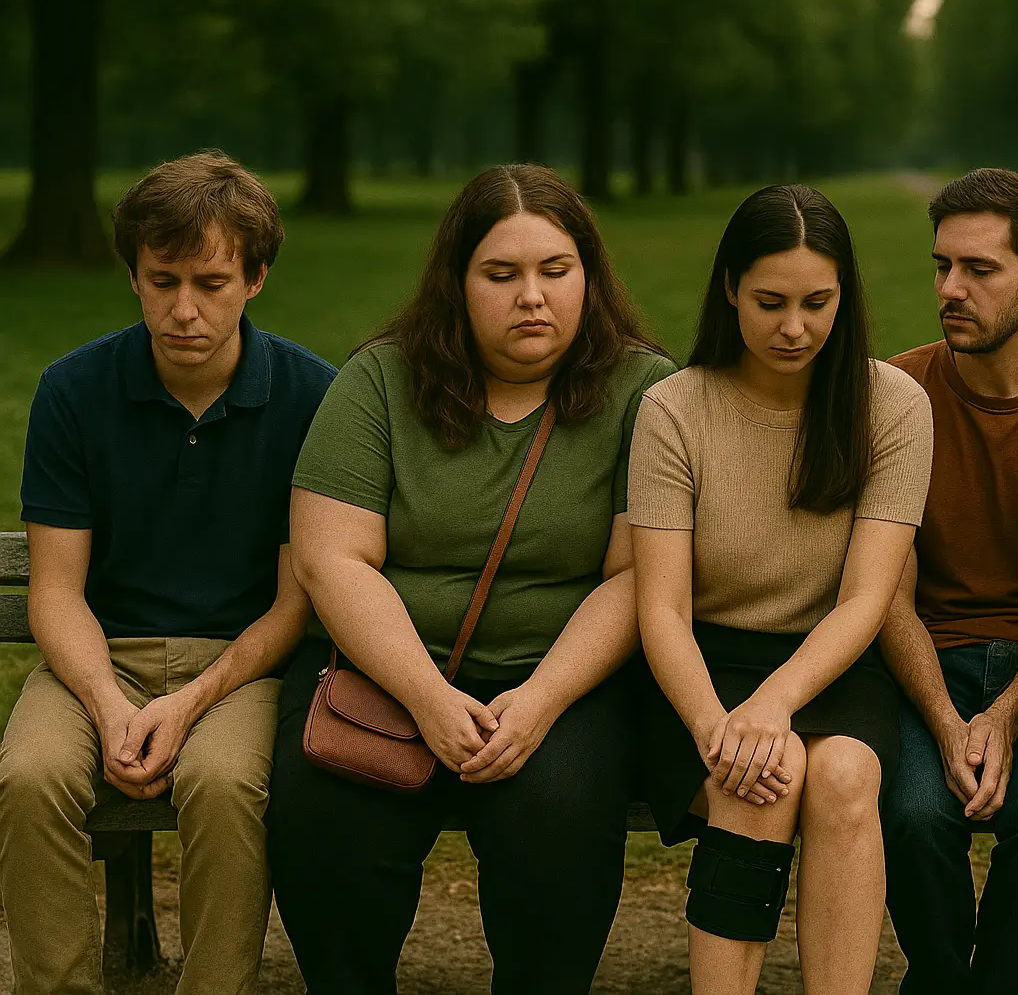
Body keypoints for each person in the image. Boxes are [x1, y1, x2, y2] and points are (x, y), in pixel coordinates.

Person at [264, 164, 674, 994]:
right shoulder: (379, 381)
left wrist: (542, 700)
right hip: (384, 673)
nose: (532, 297)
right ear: (457, 281)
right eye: (501, 274)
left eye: (555, 271)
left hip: (561, 681)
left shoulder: (645, 391)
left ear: (589, 278)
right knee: (326, 819)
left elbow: (638, 578)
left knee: (557, 819)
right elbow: (331, 559)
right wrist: (426, 697)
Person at [0, 151, 335, 995]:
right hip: (98, 655)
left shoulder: (311, 397)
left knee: (223, 785)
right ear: (134, 276)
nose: (184, 309)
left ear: (255, 279)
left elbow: (293, 605)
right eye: (162, 281)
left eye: (212, 283)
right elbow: (55, 590)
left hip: (242, 665)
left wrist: (187, 703)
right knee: (29, 777)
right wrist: (110, 705)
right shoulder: (74, 390)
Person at [630, 183, 933, 995]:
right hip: (698, 668)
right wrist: (715, 726)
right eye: (770, 303)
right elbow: (660, 607)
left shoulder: (893, 407)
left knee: (843, 776)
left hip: (834, 661)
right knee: (765, 779)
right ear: (731, 288)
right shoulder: (673, 409)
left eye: (816, 303)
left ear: (844, 298)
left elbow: (867, 598)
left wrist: (775, 701)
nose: (794, 327)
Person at [878, 168, 1018, 992]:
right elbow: (885, 592)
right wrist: (945, 720)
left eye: (979, 269)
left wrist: (1006, 714)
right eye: (943, 266)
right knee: (911, 812)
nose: (950, 289)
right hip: (922, 663)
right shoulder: (896, 393)